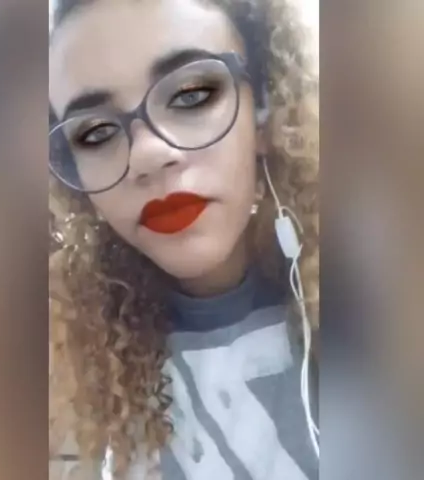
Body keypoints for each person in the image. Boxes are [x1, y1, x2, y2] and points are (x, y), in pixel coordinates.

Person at [48, 0, 319, 478]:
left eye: (191, 95)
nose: (148, 155)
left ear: (265, 110)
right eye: (96, 133)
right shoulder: (75, 354)